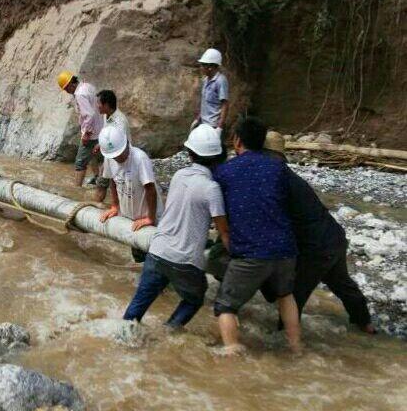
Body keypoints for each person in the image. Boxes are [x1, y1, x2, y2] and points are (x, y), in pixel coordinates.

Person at [263, 131, 374, 334]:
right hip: (334, 238)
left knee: (294, 295)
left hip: (316, 248)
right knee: (342, 285)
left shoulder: (275, 178)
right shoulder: (287, 176)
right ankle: (366, 325)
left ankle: (283, 344)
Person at [122, 124, 229, 329]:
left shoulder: (179, 175)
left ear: (189, 154)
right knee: (194, 298)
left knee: (137, 306)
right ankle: (168, 332)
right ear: (218, 158)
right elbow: (223, 231)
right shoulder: (212, 189)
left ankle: (121, 337)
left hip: (157, 251)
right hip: (185, 261)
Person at [213, 116, 301, 355]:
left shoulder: (225, 171)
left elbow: (217, 209)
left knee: (225, 306)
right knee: (285, 295)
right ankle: (296, 348)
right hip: (285, 249)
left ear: (237, 141)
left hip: (250, 253)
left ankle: (232, 354)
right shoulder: (279, 168)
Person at [98, 124, 163, 262]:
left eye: (120, 154)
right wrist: (114, 206)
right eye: (115, 156)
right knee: (139, 257)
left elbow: (150, 189)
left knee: (157, 256)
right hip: (132, 219)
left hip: (150, 217)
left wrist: (150, 218)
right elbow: (112, 181)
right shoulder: (110, 158)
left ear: (127, 143)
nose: (118, 158)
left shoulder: (140, 159)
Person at [57, 71, 104, 187]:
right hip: (100, 127)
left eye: (66, 89)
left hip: (92, 132)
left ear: (71, 84)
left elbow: (90, 115)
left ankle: (76, 189)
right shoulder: (87, 86)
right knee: (93, 155)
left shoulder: (79, 94)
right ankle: (97, 178)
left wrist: (86, 133)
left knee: (80, 162)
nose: (67, 92)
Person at [94, 89, 131, 203]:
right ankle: (97, 206)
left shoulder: (120, 122)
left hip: (120, 160)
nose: (97, 106)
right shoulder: (107, 115)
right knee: (102, 183)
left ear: (106, 105)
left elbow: (122, 145)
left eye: (99, 103)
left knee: (119, 188)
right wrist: (100, 144)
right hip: (109, 158)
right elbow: (108, 135)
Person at [196, 48, 229, 133]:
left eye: (203, 65)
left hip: (213, 125)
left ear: (210, 67)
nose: (201, 67)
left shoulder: (220, 81)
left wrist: (220, 127)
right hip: (204, 123)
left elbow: (224, 104)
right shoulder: (206, 80)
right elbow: (205, 102)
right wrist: (198, 118)